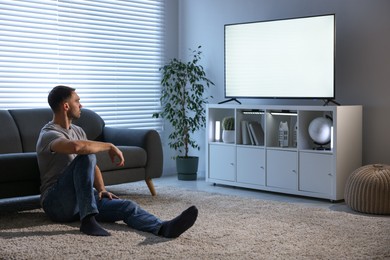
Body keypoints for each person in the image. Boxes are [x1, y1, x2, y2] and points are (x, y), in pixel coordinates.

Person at [36, 85, 198, 237]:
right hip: (56, 203)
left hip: (82, 201)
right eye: (77, 101)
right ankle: (88, 221)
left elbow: (92, 165)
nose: (81, 105)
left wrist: (101, 189)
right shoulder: (49, 133)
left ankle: (163, 228)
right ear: (66, 106)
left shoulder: (78, 130)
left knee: (127, 206)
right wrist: (109, 146)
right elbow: (78, 148)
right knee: (87, 154)